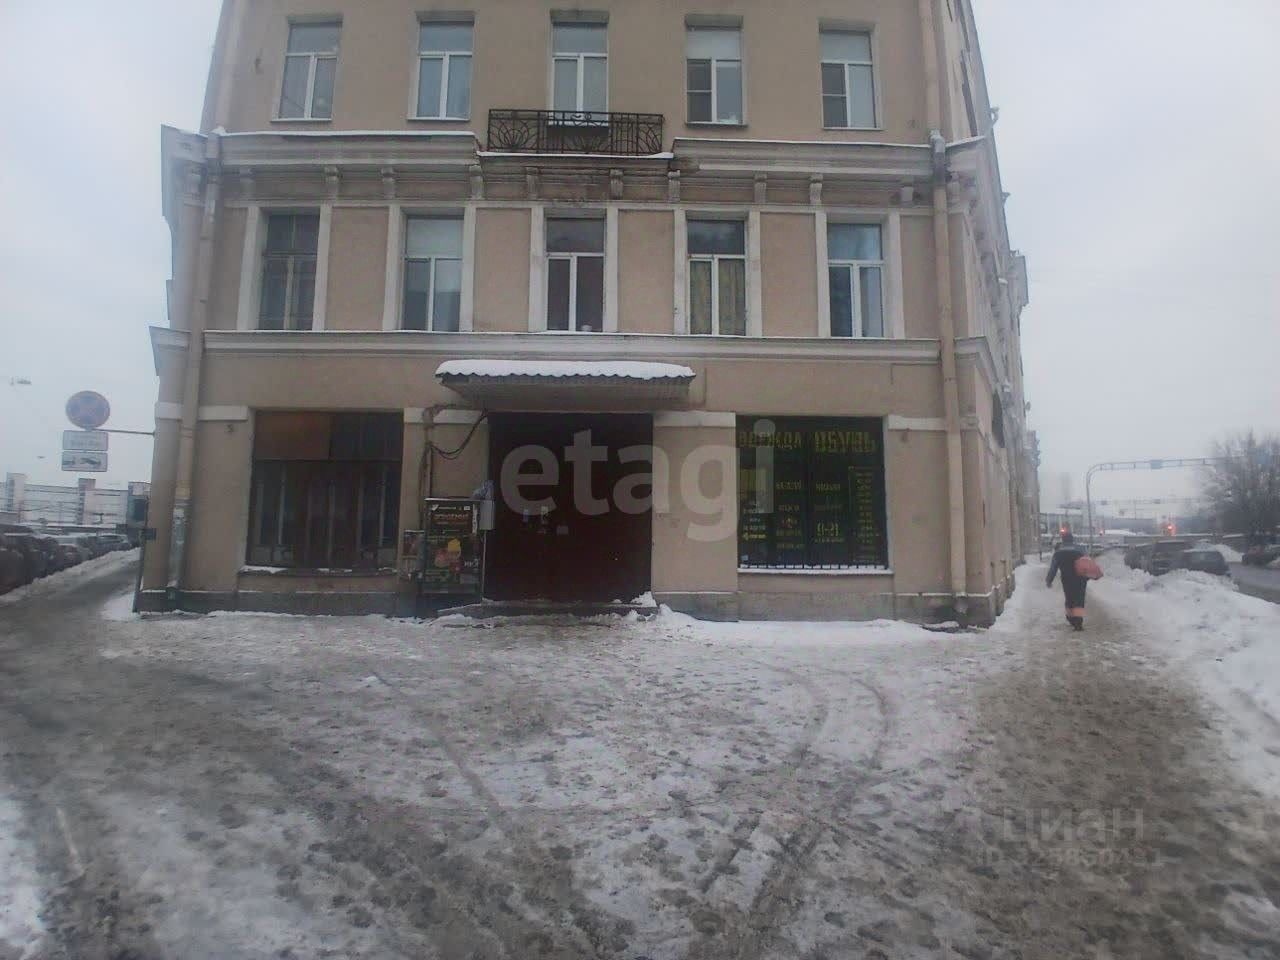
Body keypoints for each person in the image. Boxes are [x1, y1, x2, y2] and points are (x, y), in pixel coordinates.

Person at [1046, 531, 1088, 631]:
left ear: (1063, 540)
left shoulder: (1058, 553)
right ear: (1072, 540)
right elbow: (1088, 563)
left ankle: (1071, 618)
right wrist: (1089, 576)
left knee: (1069, 599)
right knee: (1079, 600)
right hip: (1080, 579)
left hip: (1067, 579)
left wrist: (1049, 580)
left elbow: (1053, 568)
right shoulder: (1080, 550)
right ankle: (1078, 623)